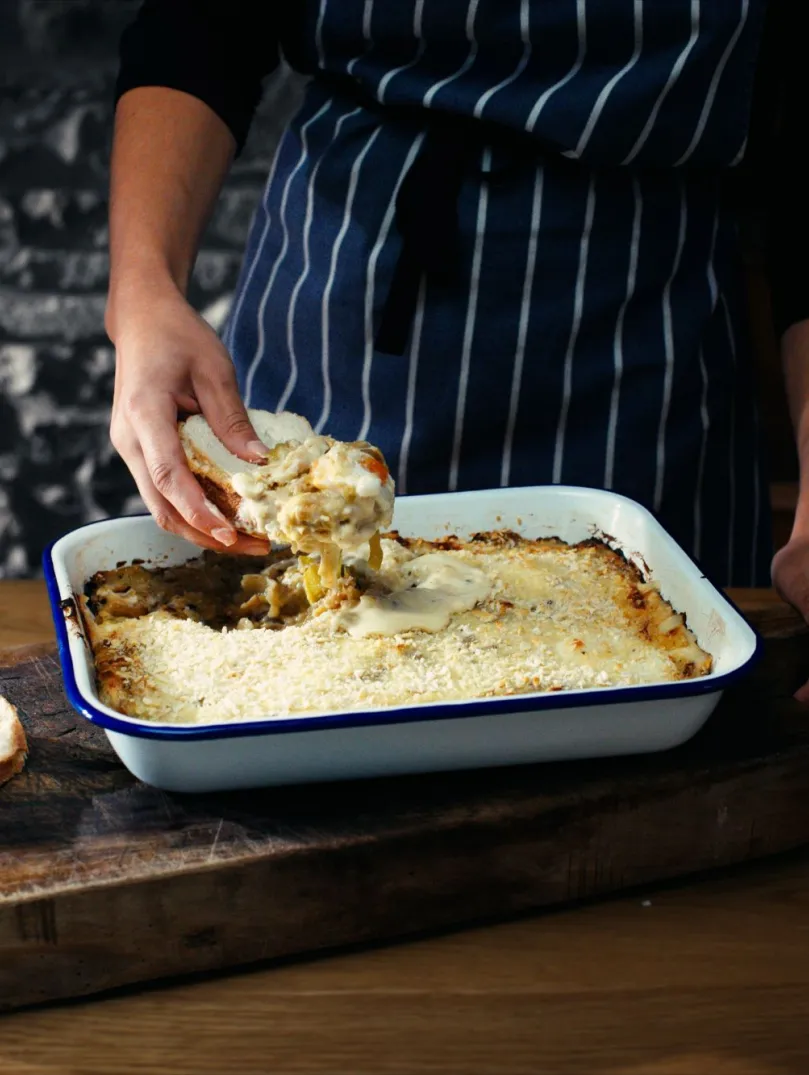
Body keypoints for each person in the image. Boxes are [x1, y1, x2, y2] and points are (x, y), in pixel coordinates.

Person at [106, 3, 808, 624]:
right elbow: (198, 31)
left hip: (644, 340)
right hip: (348, 295)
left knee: (657, 654)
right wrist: (142, 292)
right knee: (290, 610)